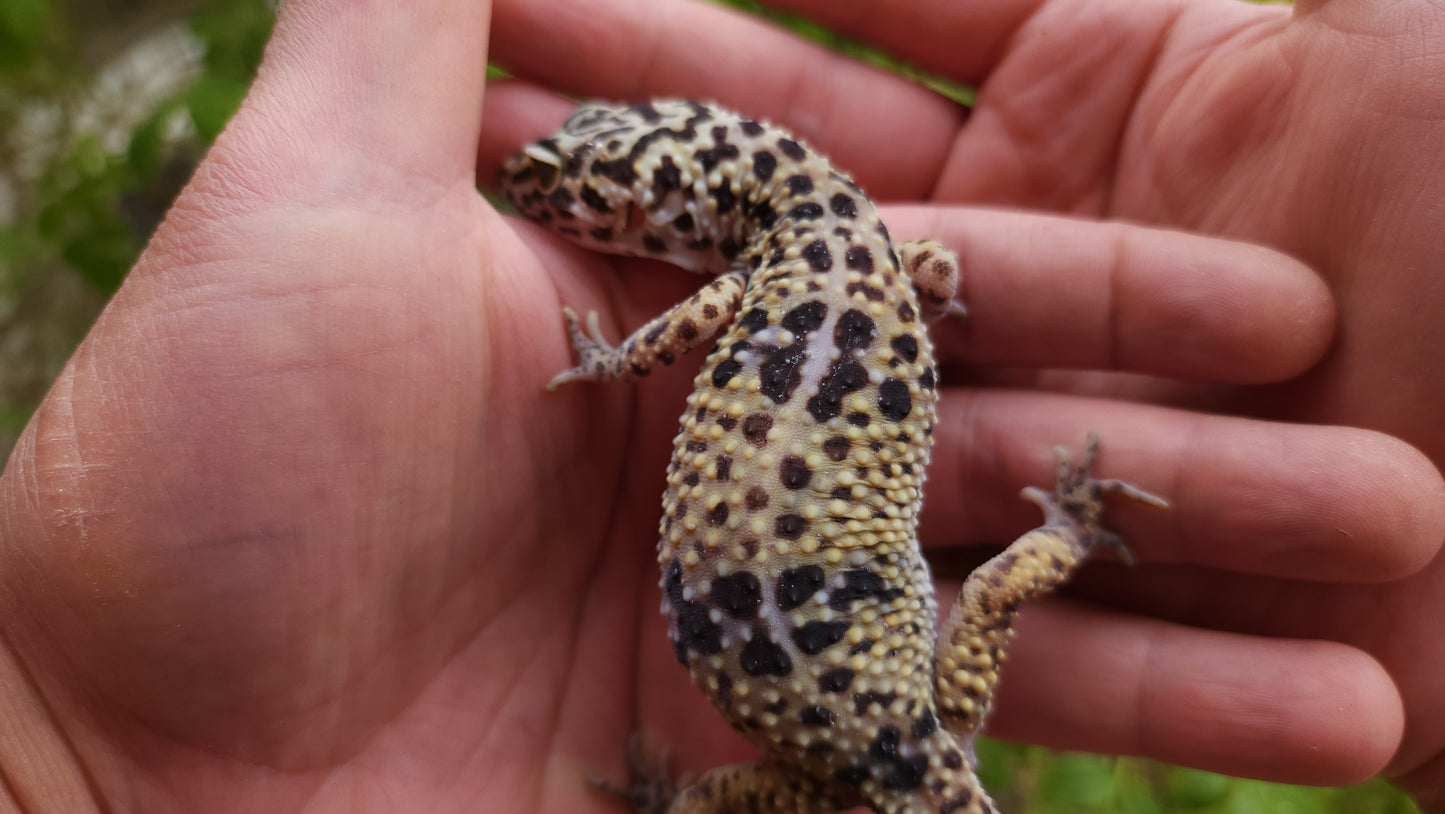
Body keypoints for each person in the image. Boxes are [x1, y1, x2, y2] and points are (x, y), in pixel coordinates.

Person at [2, 0, 1442, 811]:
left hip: (813, 664)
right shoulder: (874, 243)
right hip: (798, 678)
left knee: (981, 604)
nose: (560, 208)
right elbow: (910, 273)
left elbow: (699, 318)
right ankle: (1063, 522)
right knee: (931, 636)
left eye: (583, 201)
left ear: (680, 208)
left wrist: (614, 363)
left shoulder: (795, 272)